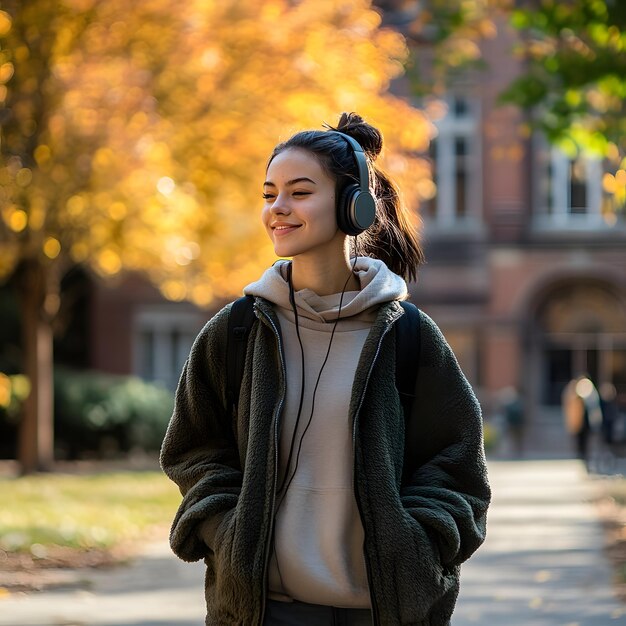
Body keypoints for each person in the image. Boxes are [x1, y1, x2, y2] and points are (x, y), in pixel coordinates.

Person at [160, 112, 491, 626]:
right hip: (261, 611)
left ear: (352, 205)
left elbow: (457, 462)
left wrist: (418, 546)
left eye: (299, 192)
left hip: (383, 611)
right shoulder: (237, 331)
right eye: (269, 194)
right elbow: (193, 448)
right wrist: (227, 533)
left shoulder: (408, 335)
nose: (278, 209)